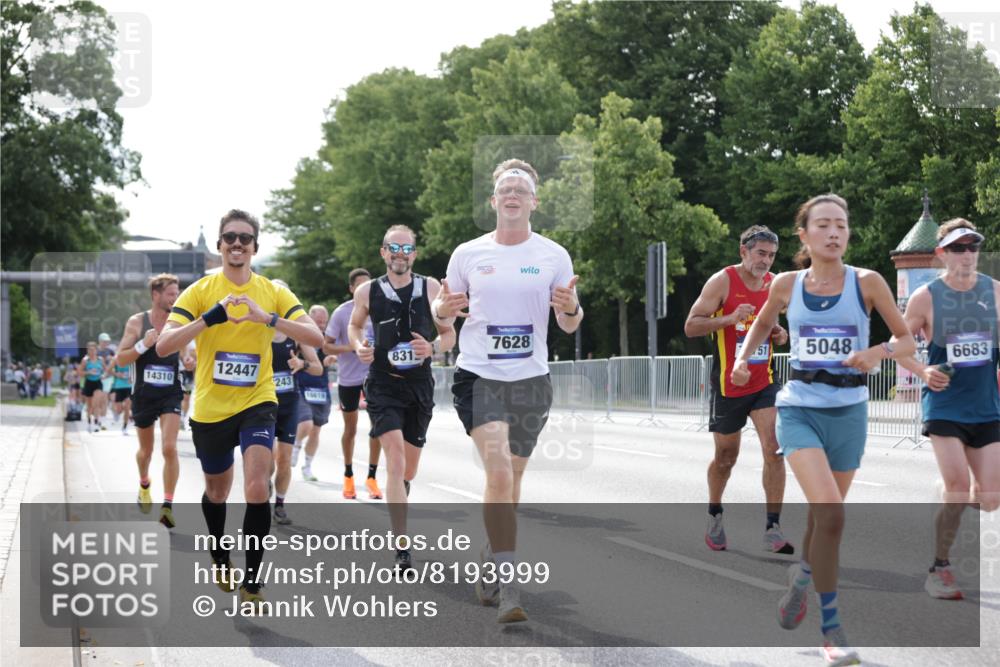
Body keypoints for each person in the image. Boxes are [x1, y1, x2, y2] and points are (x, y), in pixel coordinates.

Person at [731, 193, 915, 666]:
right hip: (799, 409)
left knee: (820, 519)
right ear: (804, 234)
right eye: (824, 225)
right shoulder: (787, 285)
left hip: (850, 412)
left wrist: (877, 354)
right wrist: (741, 357)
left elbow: (907, 337)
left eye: (842, 225)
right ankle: (832, 628)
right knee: (831, 515)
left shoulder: (868, 282)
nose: (835, 232)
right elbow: (760, 325)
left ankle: (801, 578)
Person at [433, 159, 582, 623]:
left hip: (532, 381)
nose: (513, 194)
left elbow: (568, 322)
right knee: (498, 474)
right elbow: (444, 318)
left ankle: (491, 556)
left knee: (511, 484)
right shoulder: (468, 254)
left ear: (534, 202)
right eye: (505, 188)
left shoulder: (554, 255)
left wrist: (572, 307)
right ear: (494, 201)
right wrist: (441, 309)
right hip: (479, 377)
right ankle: (510, 587)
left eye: (521, 188)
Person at [157, 209, 322, 612]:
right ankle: (218, 554)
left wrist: (266, 318)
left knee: (254, 488)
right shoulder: (197, 292)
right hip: (211, 407)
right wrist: (207, 320)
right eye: (229, 237)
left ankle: (252, 584)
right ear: (219, 245)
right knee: (217, 491)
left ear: (254, 247)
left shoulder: (271, 292)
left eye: (244, 238)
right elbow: (163, 345)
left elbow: (316, 336)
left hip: (258, 400)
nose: (236, 243)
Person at [896, 219, 1000, 600]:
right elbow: (899, 345)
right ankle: (939, 568)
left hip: (987, 405)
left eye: (973, 246)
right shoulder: (927, 296)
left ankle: (950, 491)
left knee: (989, 499)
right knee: (958, 486)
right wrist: (923, 370)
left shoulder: (995, 291)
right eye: (959, 247)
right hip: (945, 403)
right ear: (942, 253)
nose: (968, 253)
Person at [349, 225, 454, 572]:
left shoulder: (432, 288)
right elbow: (354, 326)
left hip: (419, 385)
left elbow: (449, 333)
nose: (399, 253)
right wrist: (359, 346)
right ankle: (402, 548)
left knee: (408, 469)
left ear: (414, 254)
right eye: (393, 247)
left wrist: (434, 348)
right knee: (394, 460)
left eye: (406, 248)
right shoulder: (367, 290)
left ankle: (400, 492)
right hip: (382, 384)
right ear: (383, 252)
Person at [685, 225, 792, 553]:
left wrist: (779, 335)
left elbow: (777, 328)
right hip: (728, 385)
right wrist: (729, 318)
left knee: (775, 447)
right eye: (760, 253)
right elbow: (691, 326)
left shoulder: (775, 285)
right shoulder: (722, 281)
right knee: (726, 457)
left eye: (771, 255)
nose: (766, 261)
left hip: (764, 381)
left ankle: (773, 527)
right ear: (743, 251)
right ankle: (714, 510)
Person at [115, 274, 185, 527]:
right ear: (156, 295)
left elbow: (188, 353)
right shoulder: (137, 322)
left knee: (170, 448)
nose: (175, 298)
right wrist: (143, 345)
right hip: (144, 394)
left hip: (171, 393)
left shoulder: (179, 321)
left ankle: (167, 506)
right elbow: (121, 359)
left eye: (177, 293)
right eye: (170, 294)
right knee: (146, 452)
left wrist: (190, 360)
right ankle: (144, 483)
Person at [325, 268, 383, 500]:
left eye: (368, 286)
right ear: (351, 289)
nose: (364, 291)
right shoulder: (342, 313)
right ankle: (348, 475)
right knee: (350, 429)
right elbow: (326, 346)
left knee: (378, 428)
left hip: (375, 377)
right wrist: (352, 347)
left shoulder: (381, 309)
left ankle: (372, 477)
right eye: (359, 286)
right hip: (349, 379)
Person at [269, 279, 323, 525]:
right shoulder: (257, 329)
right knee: (266, 460)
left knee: (283, 459)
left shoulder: (296, 331)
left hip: (289, 402)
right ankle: (262, 490)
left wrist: (302, 364)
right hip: (262, 402)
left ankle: (280, 504)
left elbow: (318, 368)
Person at [294, 305, 333, 482]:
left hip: (321, 389)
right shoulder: (301, 335)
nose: (322, 325)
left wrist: (331, 359)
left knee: (316, 430)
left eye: (325, 322)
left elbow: (328, 357)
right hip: (302, 386)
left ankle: (307, 466)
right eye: (318, 322)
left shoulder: (327, 338)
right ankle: (295, 445)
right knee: (306, 424)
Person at [77, 342, 107, 431]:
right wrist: (88, 372)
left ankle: (96, 421)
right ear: (87, 351)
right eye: (90, 350)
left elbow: (106, 370)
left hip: (98, 382)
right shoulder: (85, 360)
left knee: (96, 403)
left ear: (96, 350)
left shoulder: (100, 360)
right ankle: (89, 423)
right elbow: (79, 372)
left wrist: (104, 375)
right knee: (89, 405)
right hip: (89, 383)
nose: (92, 351)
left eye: (94, 349)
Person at [109, 361, 132, 434]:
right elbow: (109, 370)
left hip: (129, 386)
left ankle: (125, 427)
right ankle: (116, 412)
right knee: (119, 409)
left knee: (127, 406)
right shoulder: (117, 359)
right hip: (119, 386)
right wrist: (117, 374)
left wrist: (133, 377)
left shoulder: (132, 358)